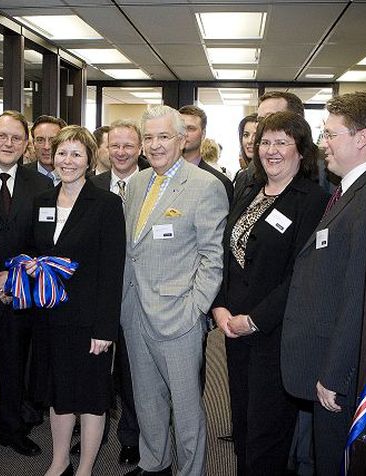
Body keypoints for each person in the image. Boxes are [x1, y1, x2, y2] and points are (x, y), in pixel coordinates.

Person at [211, 111, 329, 476]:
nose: (271, 150)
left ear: (301, 149)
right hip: (235, 330)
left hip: (275, 335)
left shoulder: (312, 200)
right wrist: (220, 307)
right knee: (243, 425)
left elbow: (301, 274)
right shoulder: (247, 191)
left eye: (281, 142)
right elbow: (227, 255)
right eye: (265, 142)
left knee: (268, 433)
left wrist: (256, 321)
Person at [122, 105, 228, 476]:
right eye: (148, 137)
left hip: (178, 317)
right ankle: (155, 464)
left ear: (183, 140)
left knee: (186, 409)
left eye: (163, 136)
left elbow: (213, 258)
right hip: (134, 313)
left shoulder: (205, 186)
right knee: (147, 401)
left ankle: (191, 471)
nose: (155, 145)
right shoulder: (135, 183)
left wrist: (195, 310)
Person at [280, 91, 366, 476]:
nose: (323, 144)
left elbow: (359, 297)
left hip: (337, 373)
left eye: (330, 135)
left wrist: (335, 374)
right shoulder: (348, 193)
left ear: (362, 138)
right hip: (323, 359)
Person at [28, 125, 126, 476]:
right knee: (59, 391)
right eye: (62, 153)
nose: (67, 161)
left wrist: (105, 329)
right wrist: (28, 265)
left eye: (76, 154)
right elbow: (33, 250)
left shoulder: (106, 204)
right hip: (51, 318)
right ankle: (59, 460)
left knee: (91, 396)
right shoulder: (41, 201)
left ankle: (85, 467)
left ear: (89, 160)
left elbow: (113, 270)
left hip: (90, 321)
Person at [0, 110, 53, 466]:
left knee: (15, 368)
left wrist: (14, 277)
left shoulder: (41, 185)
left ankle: (11, 429)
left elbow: (45, 240)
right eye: (2, 136)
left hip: (20, 294)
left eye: (17, 138)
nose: (8, 143)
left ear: (26, 144)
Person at [88, 118, 149, 466]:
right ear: (105, 149)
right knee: (95, 369)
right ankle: (91, 432)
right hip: (96, 293)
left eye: (128, 145)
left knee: (131, 373)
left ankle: (131, 437)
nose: (121, 152)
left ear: (138, 148)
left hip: (137, 294)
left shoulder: (151, 183)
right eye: (115, 145)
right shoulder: (91, 185)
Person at [178, 104, 234, 203]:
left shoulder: (220, 182)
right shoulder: (162, 175)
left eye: (191, 128)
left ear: (203, 134)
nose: (184, 133)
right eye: (181, 128)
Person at [26, 114, 67, 185]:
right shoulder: (19, 176)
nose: (46, 147)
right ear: (33, 143)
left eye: (53, 140)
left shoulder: (78, 177)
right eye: (40, 140)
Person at [233, 114, 258, 191]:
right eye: (246, 135)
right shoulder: (241, 176)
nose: (250, 141)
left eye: (256, 135)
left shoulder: (271, 177)